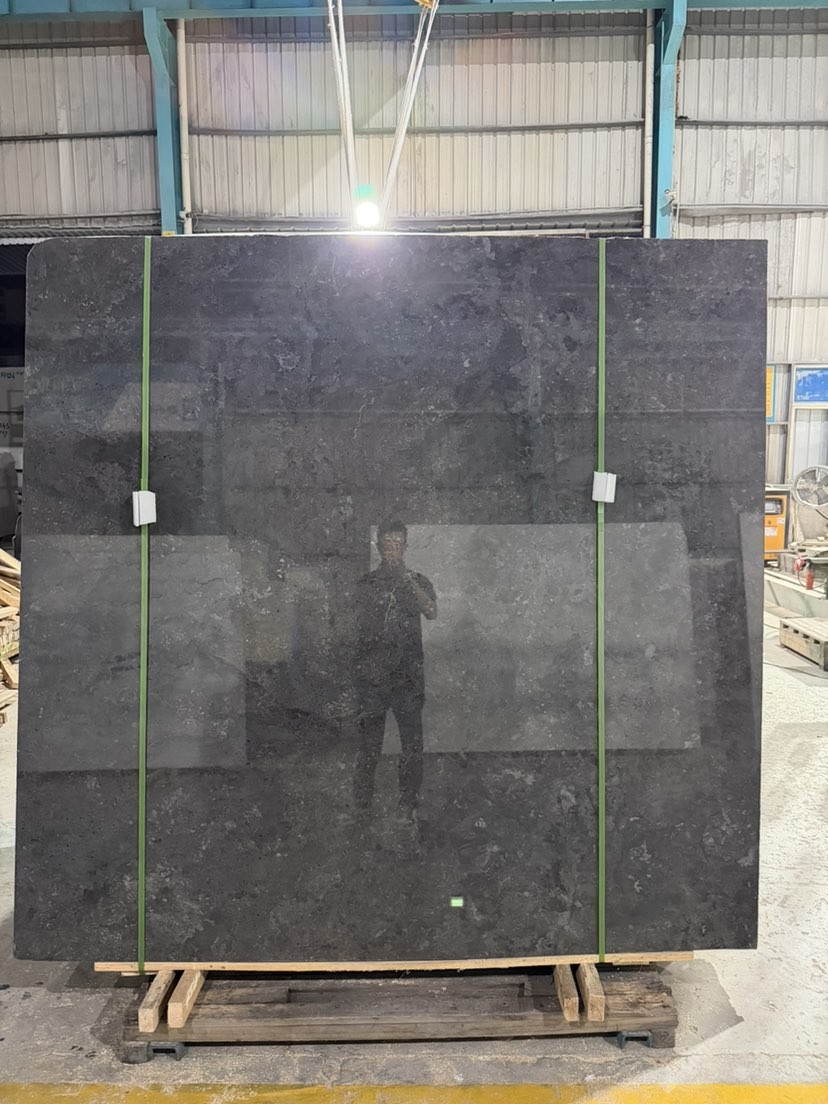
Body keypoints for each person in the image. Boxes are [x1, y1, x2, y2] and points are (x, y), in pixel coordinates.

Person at [353, 520, 437, 823]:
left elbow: (431, 612)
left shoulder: (418, 580)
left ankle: (407, 804)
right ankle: (362, 806)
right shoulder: (366, 584)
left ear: (406, 547)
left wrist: (407, 580)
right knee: (368, 745)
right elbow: (354, 628)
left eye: (398, 543)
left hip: (408, 678)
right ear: (378, 546)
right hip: (373, 679)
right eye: (388, 543)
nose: (393, 549)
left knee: (412, 745)